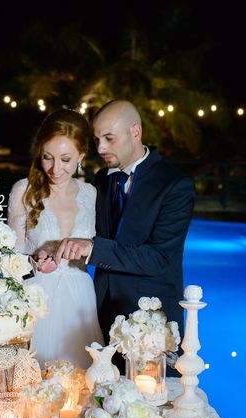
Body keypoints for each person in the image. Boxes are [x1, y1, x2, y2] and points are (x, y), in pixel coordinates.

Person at [56, 100, 195, 373]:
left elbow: (159, 258)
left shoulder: (175, 184)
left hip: (150, 322)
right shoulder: (102, 180)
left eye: (109, 138)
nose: (101, 148)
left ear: (135, 132)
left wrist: (93, 249)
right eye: (97, 140)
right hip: (99, 317)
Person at [8, 109, 104, 368]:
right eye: (48, 157)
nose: (55, 168)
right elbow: (9, 261)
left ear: (81, 157)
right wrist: (34, 260)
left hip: (81, 301)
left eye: (65, 159)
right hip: (38, 299)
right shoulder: (22, 191)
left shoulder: (91, 194)